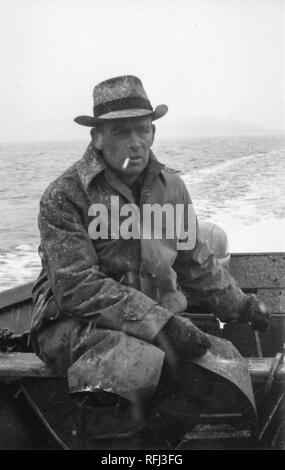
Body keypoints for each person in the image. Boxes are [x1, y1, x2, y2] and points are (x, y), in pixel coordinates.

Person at [31, 75, 270, 448]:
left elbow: (194, 262)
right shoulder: (65, 196)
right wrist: (162, 324)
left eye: (143, 130)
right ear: (97, 137)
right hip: (74, 323)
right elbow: (78, 287)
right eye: (121, 131)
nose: (135, 142)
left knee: (215, 365)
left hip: (153, 322)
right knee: (131, 364)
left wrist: (241, 305)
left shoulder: (171, 187)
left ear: (153, 133)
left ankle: (151, 451)